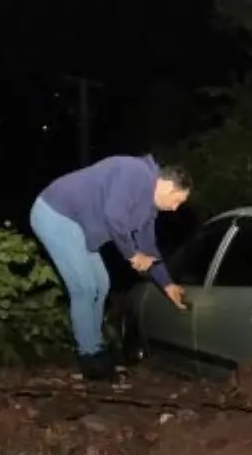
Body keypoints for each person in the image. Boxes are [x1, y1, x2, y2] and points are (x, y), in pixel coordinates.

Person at [30, 154, 190, 381]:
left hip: (79, 226)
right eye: (177, 200)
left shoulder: (149, 209)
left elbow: (149, 247)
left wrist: (167, 284)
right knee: (85, 287)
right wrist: (132, 254)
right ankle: (89, 356)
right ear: (166, 185)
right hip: (55, 214)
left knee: (102, 285)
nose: (175, 209)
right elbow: (115, 215)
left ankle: (96, 349)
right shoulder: (134, 173)